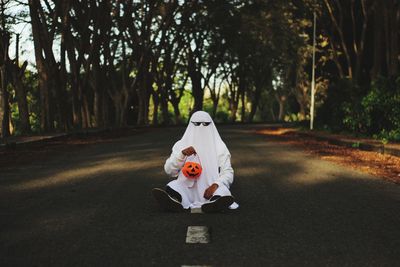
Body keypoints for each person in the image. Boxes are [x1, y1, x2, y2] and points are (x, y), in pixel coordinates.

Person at [152, 111, 239, 213]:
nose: (201, 127)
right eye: (197, 124)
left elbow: (228, 172)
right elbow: (169, 171)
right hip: (187, 188)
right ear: (190, 124)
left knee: (223, 191)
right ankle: (175, 200)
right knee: (172, 186)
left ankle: (214, 203)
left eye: (206, 124)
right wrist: (182, 155)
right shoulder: (181, 145)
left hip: (211, 190)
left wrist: (216, 185)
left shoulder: (219, 146)